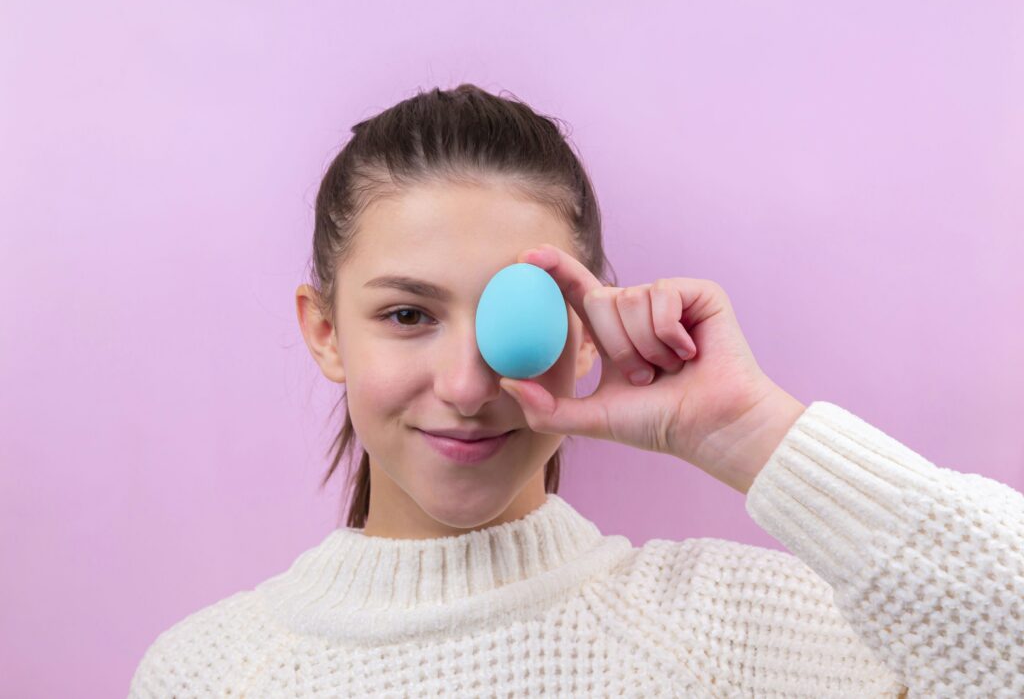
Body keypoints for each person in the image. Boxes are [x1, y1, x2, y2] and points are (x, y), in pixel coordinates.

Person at [128, 84, 1023, 697]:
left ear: (585, 325)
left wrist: (751, 430)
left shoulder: (733, 632)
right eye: (407, 315)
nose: (469, 384)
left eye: (521, 318)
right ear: (325, 330)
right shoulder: (211, 671)